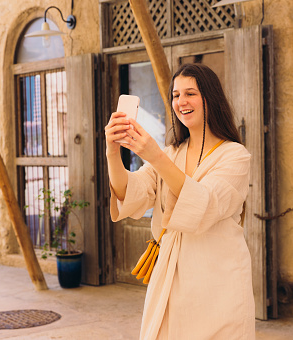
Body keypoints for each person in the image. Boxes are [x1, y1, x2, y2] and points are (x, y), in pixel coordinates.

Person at [105, 63, 255, 339]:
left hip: (217, 277)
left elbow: (205, 205)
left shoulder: (235, 156)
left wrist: (154, 155)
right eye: (175, 95)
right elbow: (132, 192)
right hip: (170, 276)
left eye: (190, 93)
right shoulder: (172, 152)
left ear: (210, 97)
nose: (181, 102)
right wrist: (113, 153)